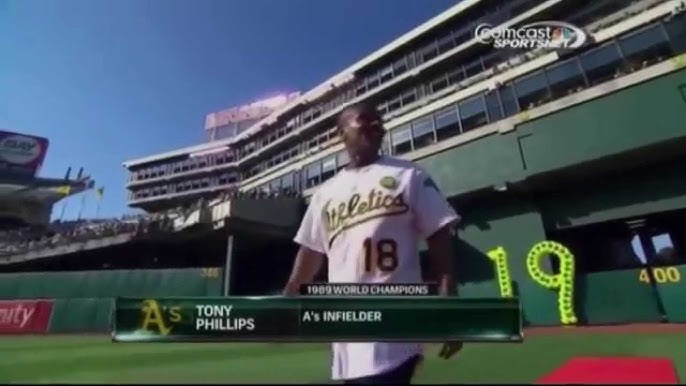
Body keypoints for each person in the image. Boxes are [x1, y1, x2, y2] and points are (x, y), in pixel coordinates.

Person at [283, 102, 462, 384]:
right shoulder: (325, 193)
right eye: (365, 119)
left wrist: (448, 299)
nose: (375, 124)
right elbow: (311, 250)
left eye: (379, 121)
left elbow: (438, 233)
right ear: (342, 133)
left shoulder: (410, 174)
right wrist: (290, 294)